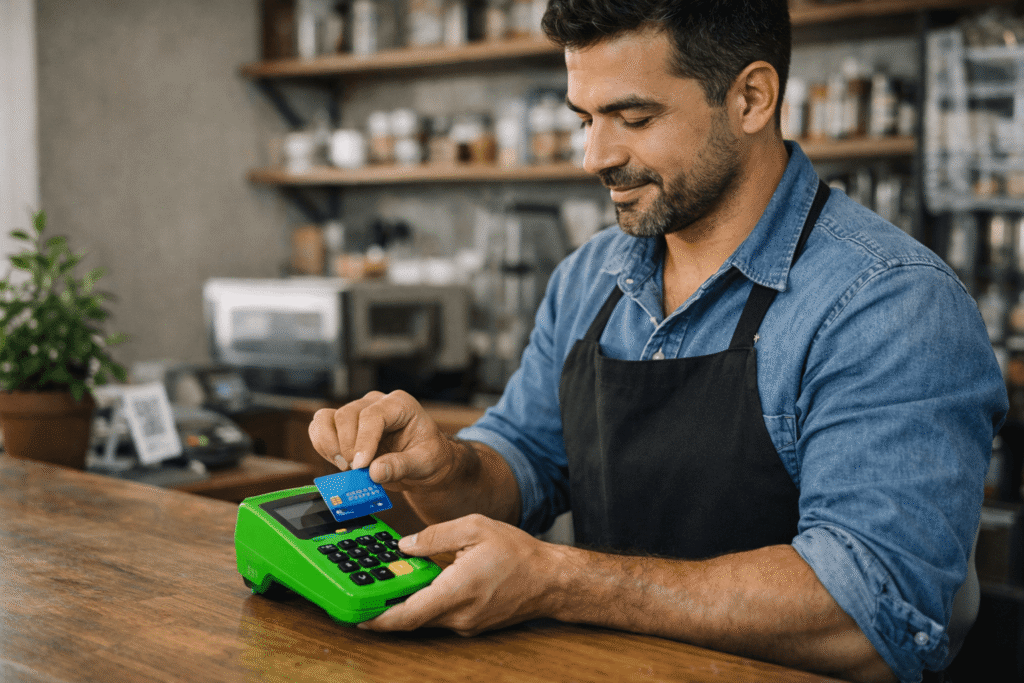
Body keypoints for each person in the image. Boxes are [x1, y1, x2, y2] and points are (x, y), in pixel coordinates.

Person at [308, 1, 1008, 681]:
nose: (594, 156)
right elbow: (520, 467)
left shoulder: (889, 301)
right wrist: (447, 469)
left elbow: (871, 614)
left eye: (633, 118)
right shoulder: (589, 278)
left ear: (751, 99)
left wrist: (561, 580)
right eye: (584, 118)